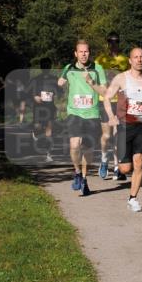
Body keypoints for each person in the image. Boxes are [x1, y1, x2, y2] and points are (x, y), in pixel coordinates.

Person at [103, 46, 142, 212]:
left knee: (139, 163)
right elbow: (107, 98)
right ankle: (117, 157)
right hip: (125, 126)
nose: (139, 60)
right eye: (136, 57)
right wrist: (111, 116)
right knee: (125, 168)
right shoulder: (121, 78)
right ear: (130, 60)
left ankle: (133, 198)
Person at [57, 41, 107, 196]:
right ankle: (77, 172)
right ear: (75, 53)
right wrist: (60, 82)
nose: (84, 54)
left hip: (92, 114)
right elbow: (60, 83)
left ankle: (84, 179)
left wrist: (91, 82)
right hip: (74, 113)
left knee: (88, 151)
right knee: (74, 144)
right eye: (81, 52)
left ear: (89, 53)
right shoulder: (68, 68)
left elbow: (105, 91)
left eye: (86, 52)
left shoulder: (97, 69)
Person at [96, 33, 130, 180]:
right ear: (107, 43)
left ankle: (117, 167)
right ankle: (104, 161)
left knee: (118, 136)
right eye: (110, 41)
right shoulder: (100, 60)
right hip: (105, 100)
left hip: (120, 101)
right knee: (107, 135)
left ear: (119, 43)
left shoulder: (124, 60)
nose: (113, 44)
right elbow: (95, 80)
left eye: (116, 41)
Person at [31, 57, 59, 163]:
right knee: (37, 127)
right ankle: (35, 133)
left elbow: (59, 92)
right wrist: (35, 97)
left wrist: (57, 96)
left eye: (48, 65)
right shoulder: (36, 79)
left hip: (50, 107)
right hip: (38, 107)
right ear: (41, 67)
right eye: (44, 65)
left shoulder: (55, 79)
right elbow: (29, 92)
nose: (46, 67)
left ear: (50, 67)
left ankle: (48, 154)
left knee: (49, 130)